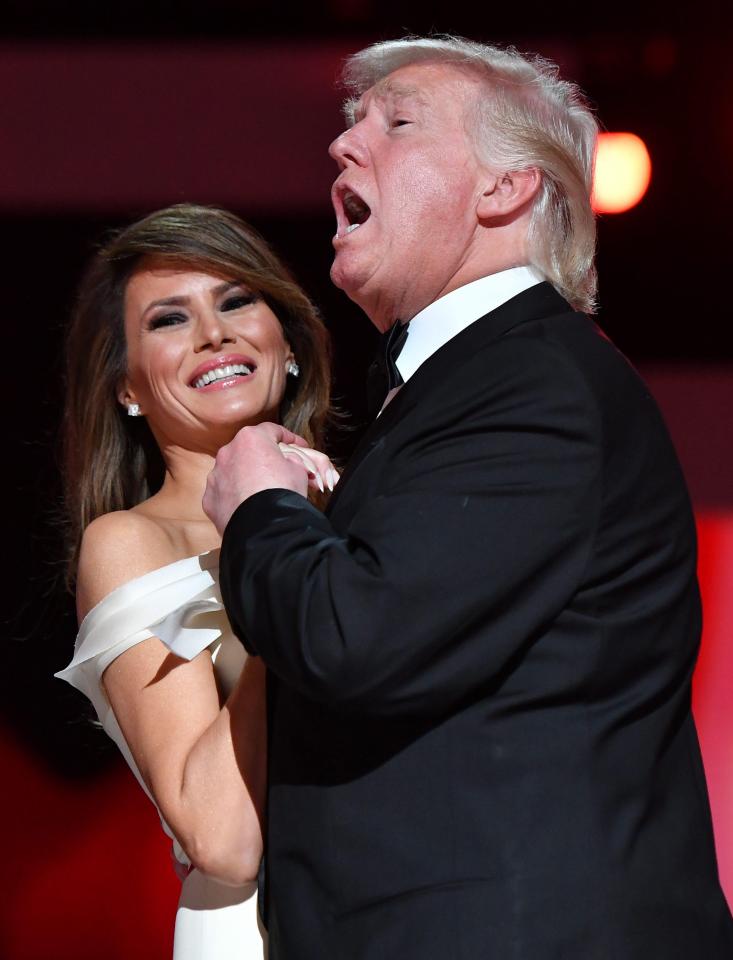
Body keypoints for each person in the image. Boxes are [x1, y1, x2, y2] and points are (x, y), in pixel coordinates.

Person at [201, 36, 733, 959]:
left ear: (504, 189)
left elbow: (353, 635)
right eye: (349, 122)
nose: (342, 146)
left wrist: (258, 508)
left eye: (395, 122)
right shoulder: (479, 382)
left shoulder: (533, 382)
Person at [54, 203, 334, 959]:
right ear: (127, 389)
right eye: (169, 320)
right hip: (253, 929)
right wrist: (290, 570)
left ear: (289, 342)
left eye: (238, 300)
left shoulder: (368, 510)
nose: (215, 332)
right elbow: (220, 839)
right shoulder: (133, 544)